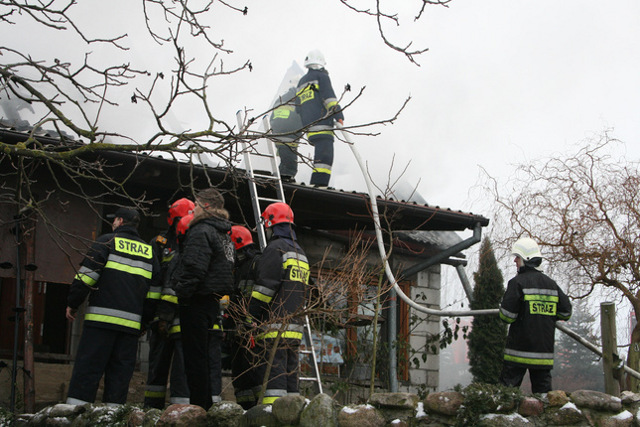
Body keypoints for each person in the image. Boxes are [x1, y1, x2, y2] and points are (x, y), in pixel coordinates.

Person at [65, 207, 159, 406]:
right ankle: (113, 417)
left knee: (88, 369)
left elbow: (86, 277)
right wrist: (144, 323)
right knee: (120, 375)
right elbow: (153, 294)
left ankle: (75, 414)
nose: (112, 224)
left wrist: (73, 303)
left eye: (114, 220)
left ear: (119, 221)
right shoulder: (149, 252)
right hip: (130, 328)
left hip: (100, 323)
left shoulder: (106, 241)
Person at [172, 188, 235, 410]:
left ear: (206, 206)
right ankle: (206, 405)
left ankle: (199, 408)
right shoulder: (224, 234)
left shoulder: (201, 231)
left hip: (196, 301)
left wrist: (182, 294)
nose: (194, 208)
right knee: (208, 358)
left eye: (196, 205)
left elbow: (193, 268)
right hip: (213, 302)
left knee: (194, 358)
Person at [249, 202, 309, 404]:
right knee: (291, 379)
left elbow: (264, 289)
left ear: (270, 224)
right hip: (294, 328)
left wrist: (251, 315)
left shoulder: (275, 249)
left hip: (274, 326)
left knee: (274, 378)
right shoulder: (301, 253)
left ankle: (271, 416)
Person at [499, 237, 572, 393]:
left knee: (506, 397)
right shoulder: (551, 284)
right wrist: (546, 315)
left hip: (517, 353)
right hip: (543, 354)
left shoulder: (517, 283)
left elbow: (507, 316)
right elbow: (566, 313)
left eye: (517, 257)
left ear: (526, 259)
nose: (515, 261)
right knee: (545, 401)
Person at [144, 199, 194, 409]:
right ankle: (151, 408)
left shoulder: (195, 244)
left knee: (182, 367)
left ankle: (179, 411)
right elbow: (152, 281)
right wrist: (153, 316)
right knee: (157, 364)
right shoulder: (159, 243)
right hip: (160, 316)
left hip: (184, 316)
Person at [296, 49, 344, 187]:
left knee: (319, 157)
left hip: (310, 127)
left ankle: (317, 182)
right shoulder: (322, 77)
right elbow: (330, 99)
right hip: (323, 124)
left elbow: (298, 107)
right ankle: (319, 184)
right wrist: (339, 115)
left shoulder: (301, 82)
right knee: (325, 158)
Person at [226, 225, 261, 409]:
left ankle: (257, 412)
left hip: (252, 332)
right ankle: (245, 413)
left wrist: (249, 323)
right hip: (236, 332)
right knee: (239, 377)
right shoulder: (235, 268)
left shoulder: (256, 263)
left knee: (254, 374)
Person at [270, 80, 303, 182]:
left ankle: (280, 177)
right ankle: (284, 181)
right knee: (290, 165)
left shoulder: (280, 99)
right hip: (290, 136)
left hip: (278, 135)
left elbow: (271, 118)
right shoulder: (298, 101)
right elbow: (301, 119)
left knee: (285, 160)